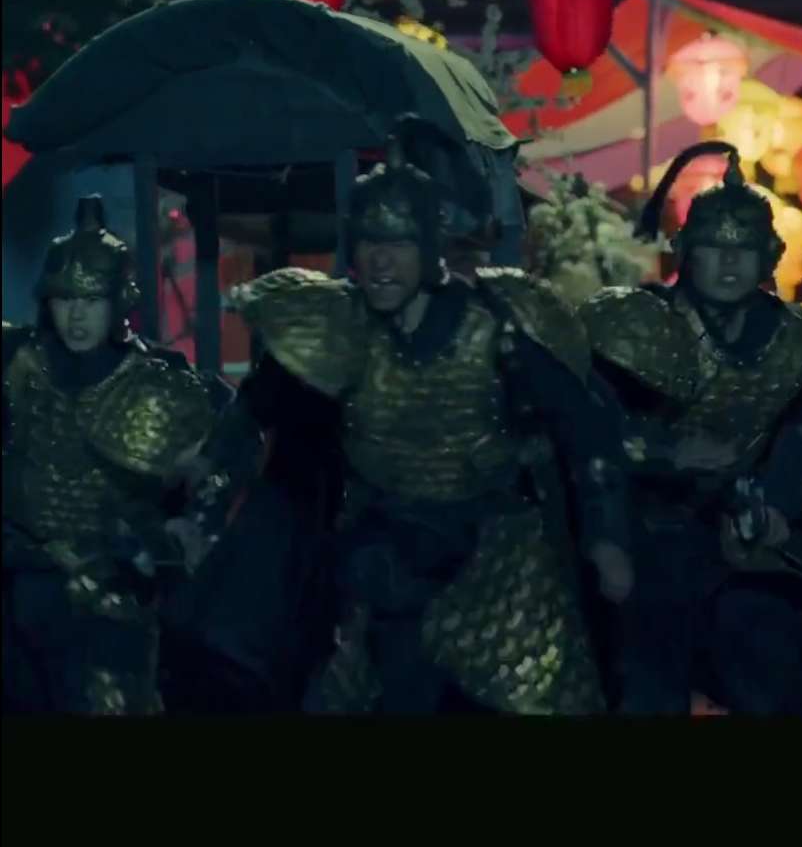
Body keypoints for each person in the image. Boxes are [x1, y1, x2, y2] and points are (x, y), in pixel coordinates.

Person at [230, 118, 633, 715]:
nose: (380, 261)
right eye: (369, 243)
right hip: (383, 555)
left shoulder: (496, 329)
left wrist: (606, 536)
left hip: (498, 561)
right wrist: (205, 483)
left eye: (397, 244)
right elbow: (251, 413)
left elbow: (587, 430)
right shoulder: (341, 329)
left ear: (430, 248)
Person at [579, 142, 802, 715]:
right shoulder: (632, 324)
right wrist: (666, 456)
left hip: (762, 546)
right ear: (685, 250)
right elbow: (591, 436)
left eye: (744, 249)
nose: (729, 263)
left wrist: (774, 503)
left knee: (769, 678)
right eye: (714, 247)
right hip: (653, 540)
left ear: (770, 255)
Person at [3, 196, 229, 714]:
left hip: (113, 600)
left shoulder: (160, 384)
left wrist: (174, 536)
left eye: (90, 299)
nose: (76, 314)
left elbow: (221, 464)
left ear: (116, 302)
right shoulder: (16, 367)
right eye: (65, 299)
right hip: (22, 592)